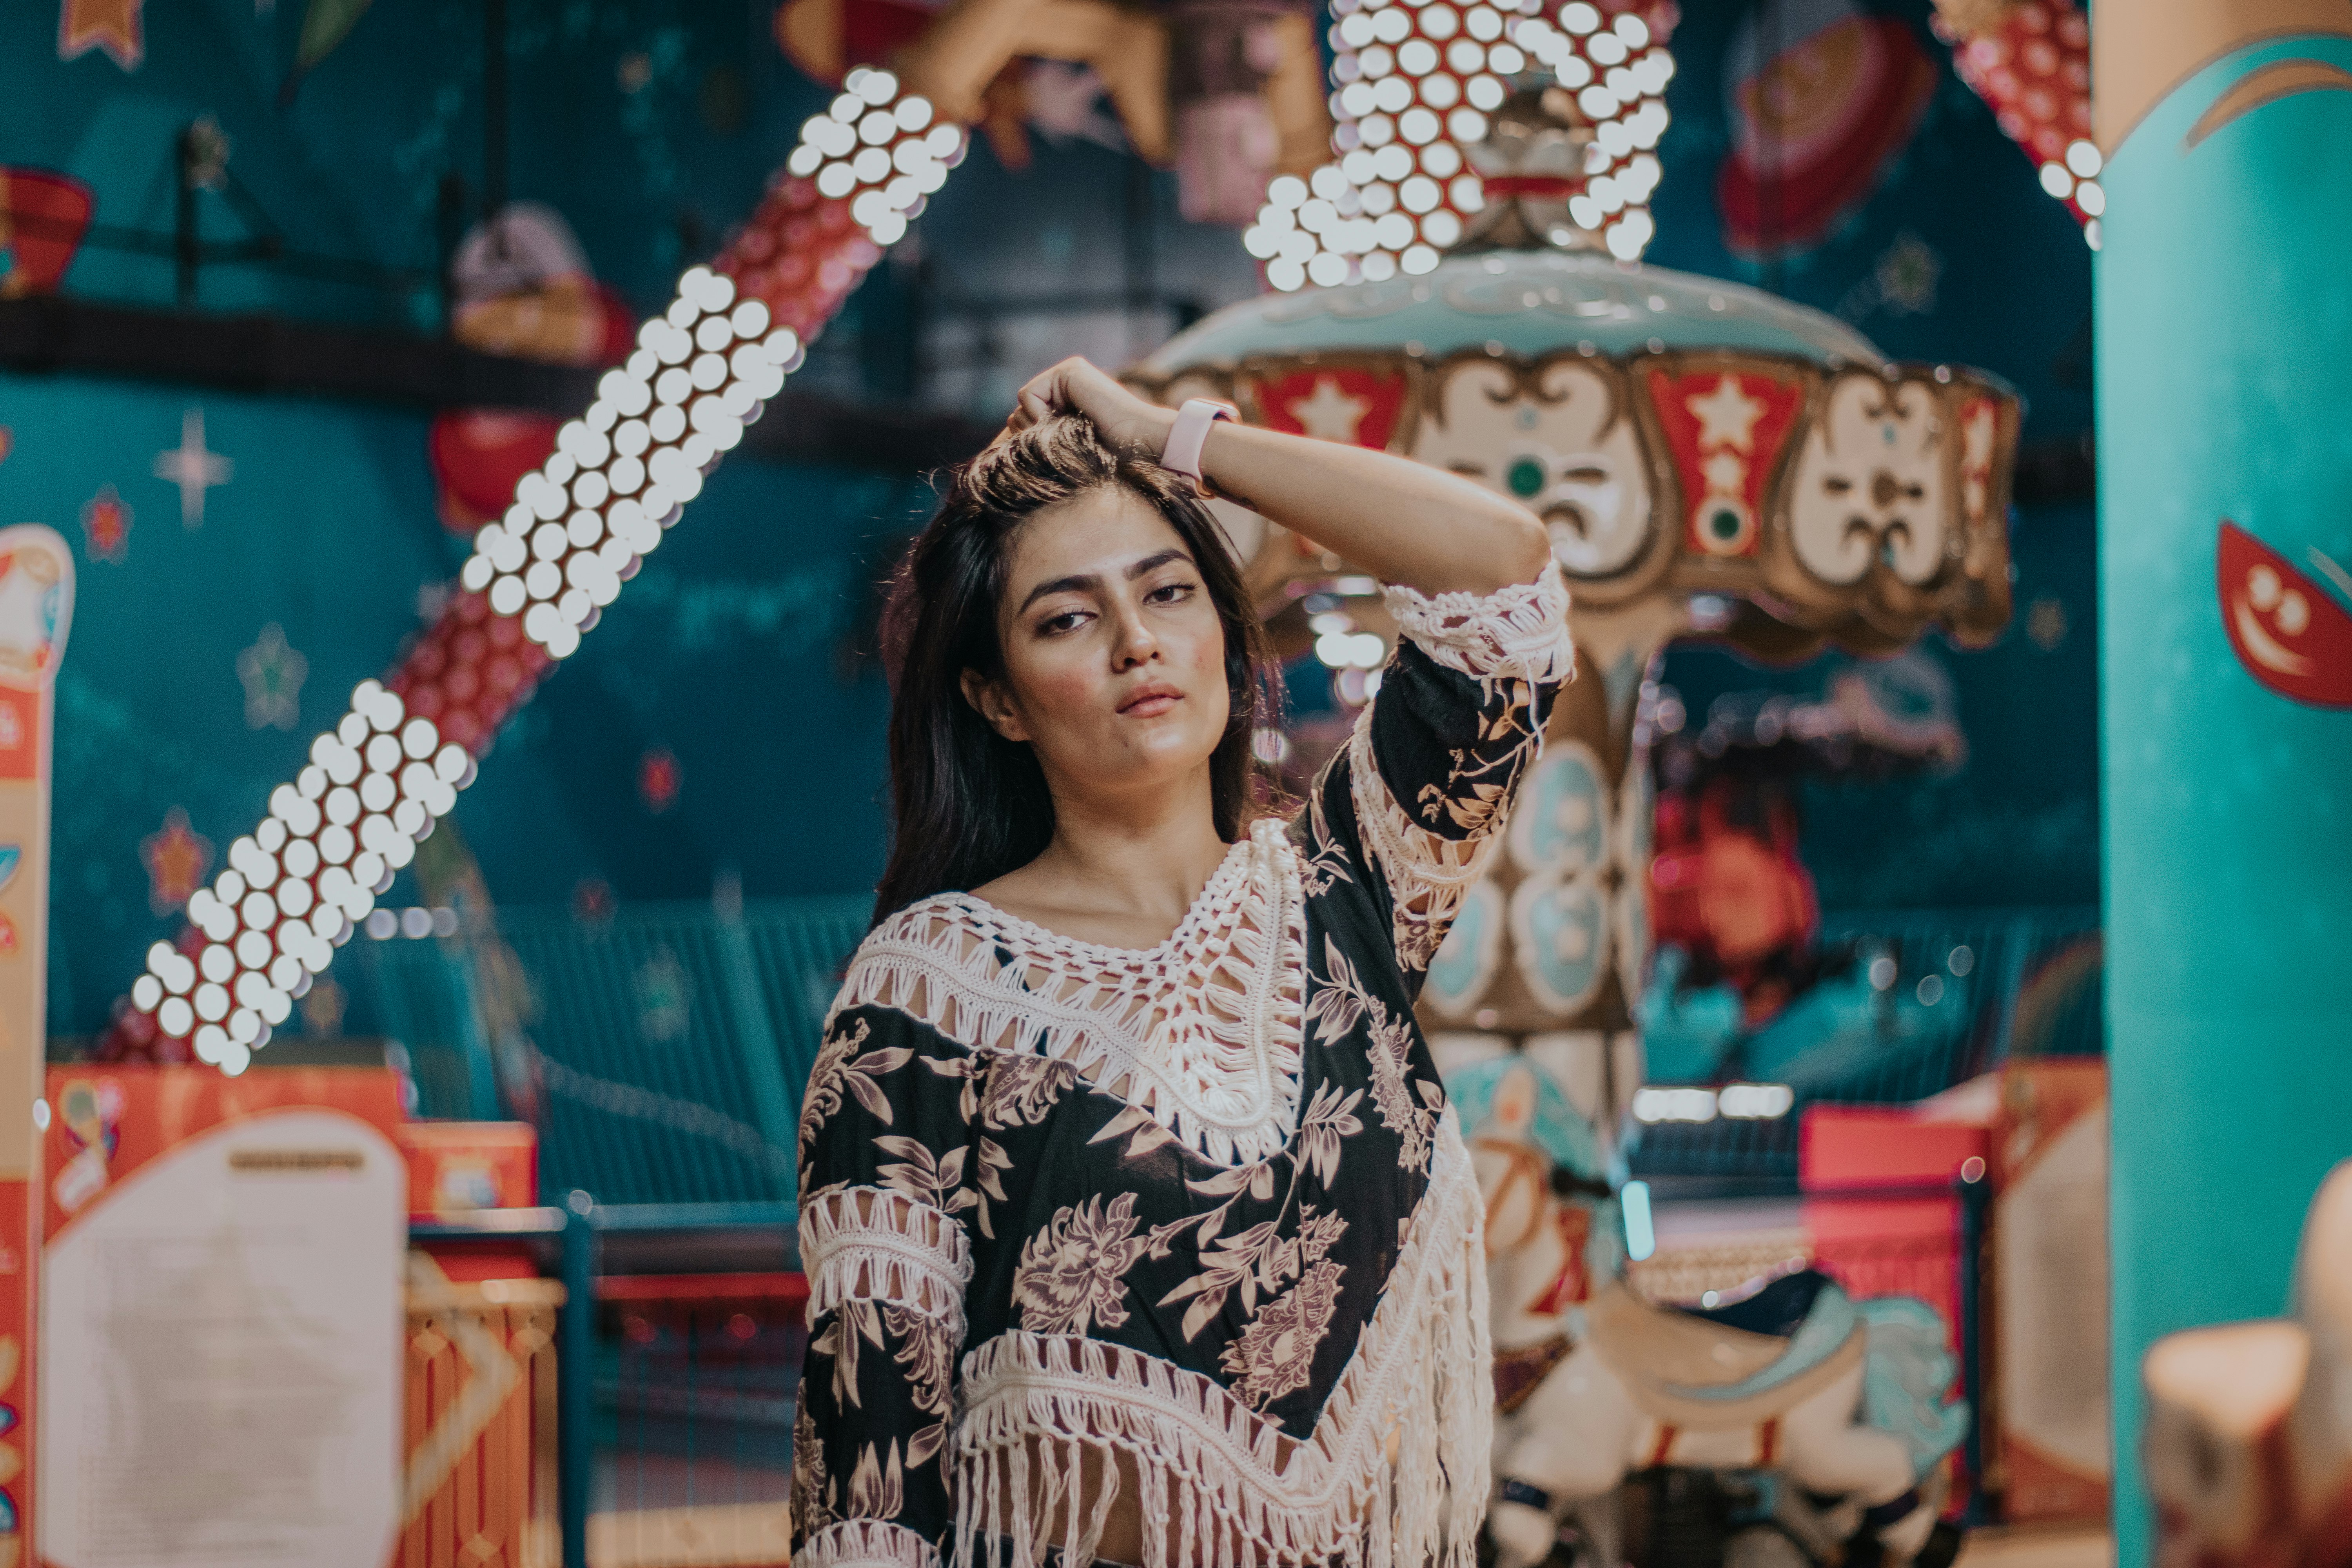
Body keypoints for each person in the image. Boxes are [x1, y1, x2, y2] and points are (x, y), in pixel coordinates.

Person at [793, 357, 1570, 1568]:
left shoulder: (1349, 893)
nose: (1135, 644)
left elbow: (1505, 578)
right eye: (1067, 618)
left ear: (1222, 625)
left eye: (1168, 594)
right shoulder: (925, 994)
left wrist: (1175, 438)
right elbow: (871, 1470)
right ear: (998, 700)